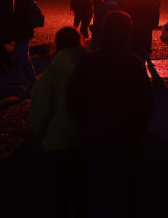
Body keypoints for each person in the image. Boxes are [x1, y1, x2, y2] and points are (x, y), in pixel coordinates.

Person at [68, 11, 153, 217]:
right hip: (126, 133)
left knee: (99, 180)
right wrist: (136, 128)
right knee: (126, 180)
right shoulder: (133, 64)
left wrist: (84, 122)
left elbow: (74, 97)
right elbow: (145, 104)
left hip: (97, 129)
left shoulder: (90, 62)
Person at [29, 27, 88, 218]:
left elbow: (41, 110)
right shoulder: (92, 67)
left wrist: (36, 134)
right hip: (86, 138)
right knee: (82, 190)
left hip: (58, 140)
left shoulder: (53, 74)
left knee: (59, 191)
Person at [9, 0, 42, 90]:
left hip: (23, 32)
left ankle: (30, 81)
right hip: (25, 32)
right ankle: (20, 80)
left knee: (21, 56)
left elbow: (20, 18)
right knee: (20, 56)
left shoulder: (22, 0)